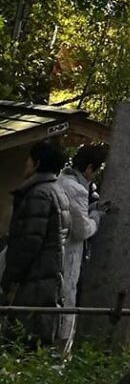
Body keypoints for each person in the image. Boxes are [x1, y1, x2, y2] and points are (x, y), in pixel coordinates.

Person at [1, 141, 71, 347]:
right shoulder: (57, 192)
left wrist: (9, 279)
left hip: (33, 279)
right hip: (49, 276)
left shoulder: (38, 194)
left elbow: (27, 243)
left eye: (28, 160)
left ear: (37, 163)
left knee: (22, 340)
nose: (25, 165)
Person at [56, 142, 107, 353]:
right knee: (64, 307)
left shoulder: (61, 181)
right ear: (89, 169)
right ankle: (58, 356)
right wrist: (97, 216)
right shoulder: (76, 189)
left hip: (57, 255)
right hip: (66, 256)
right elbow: (82, 229)